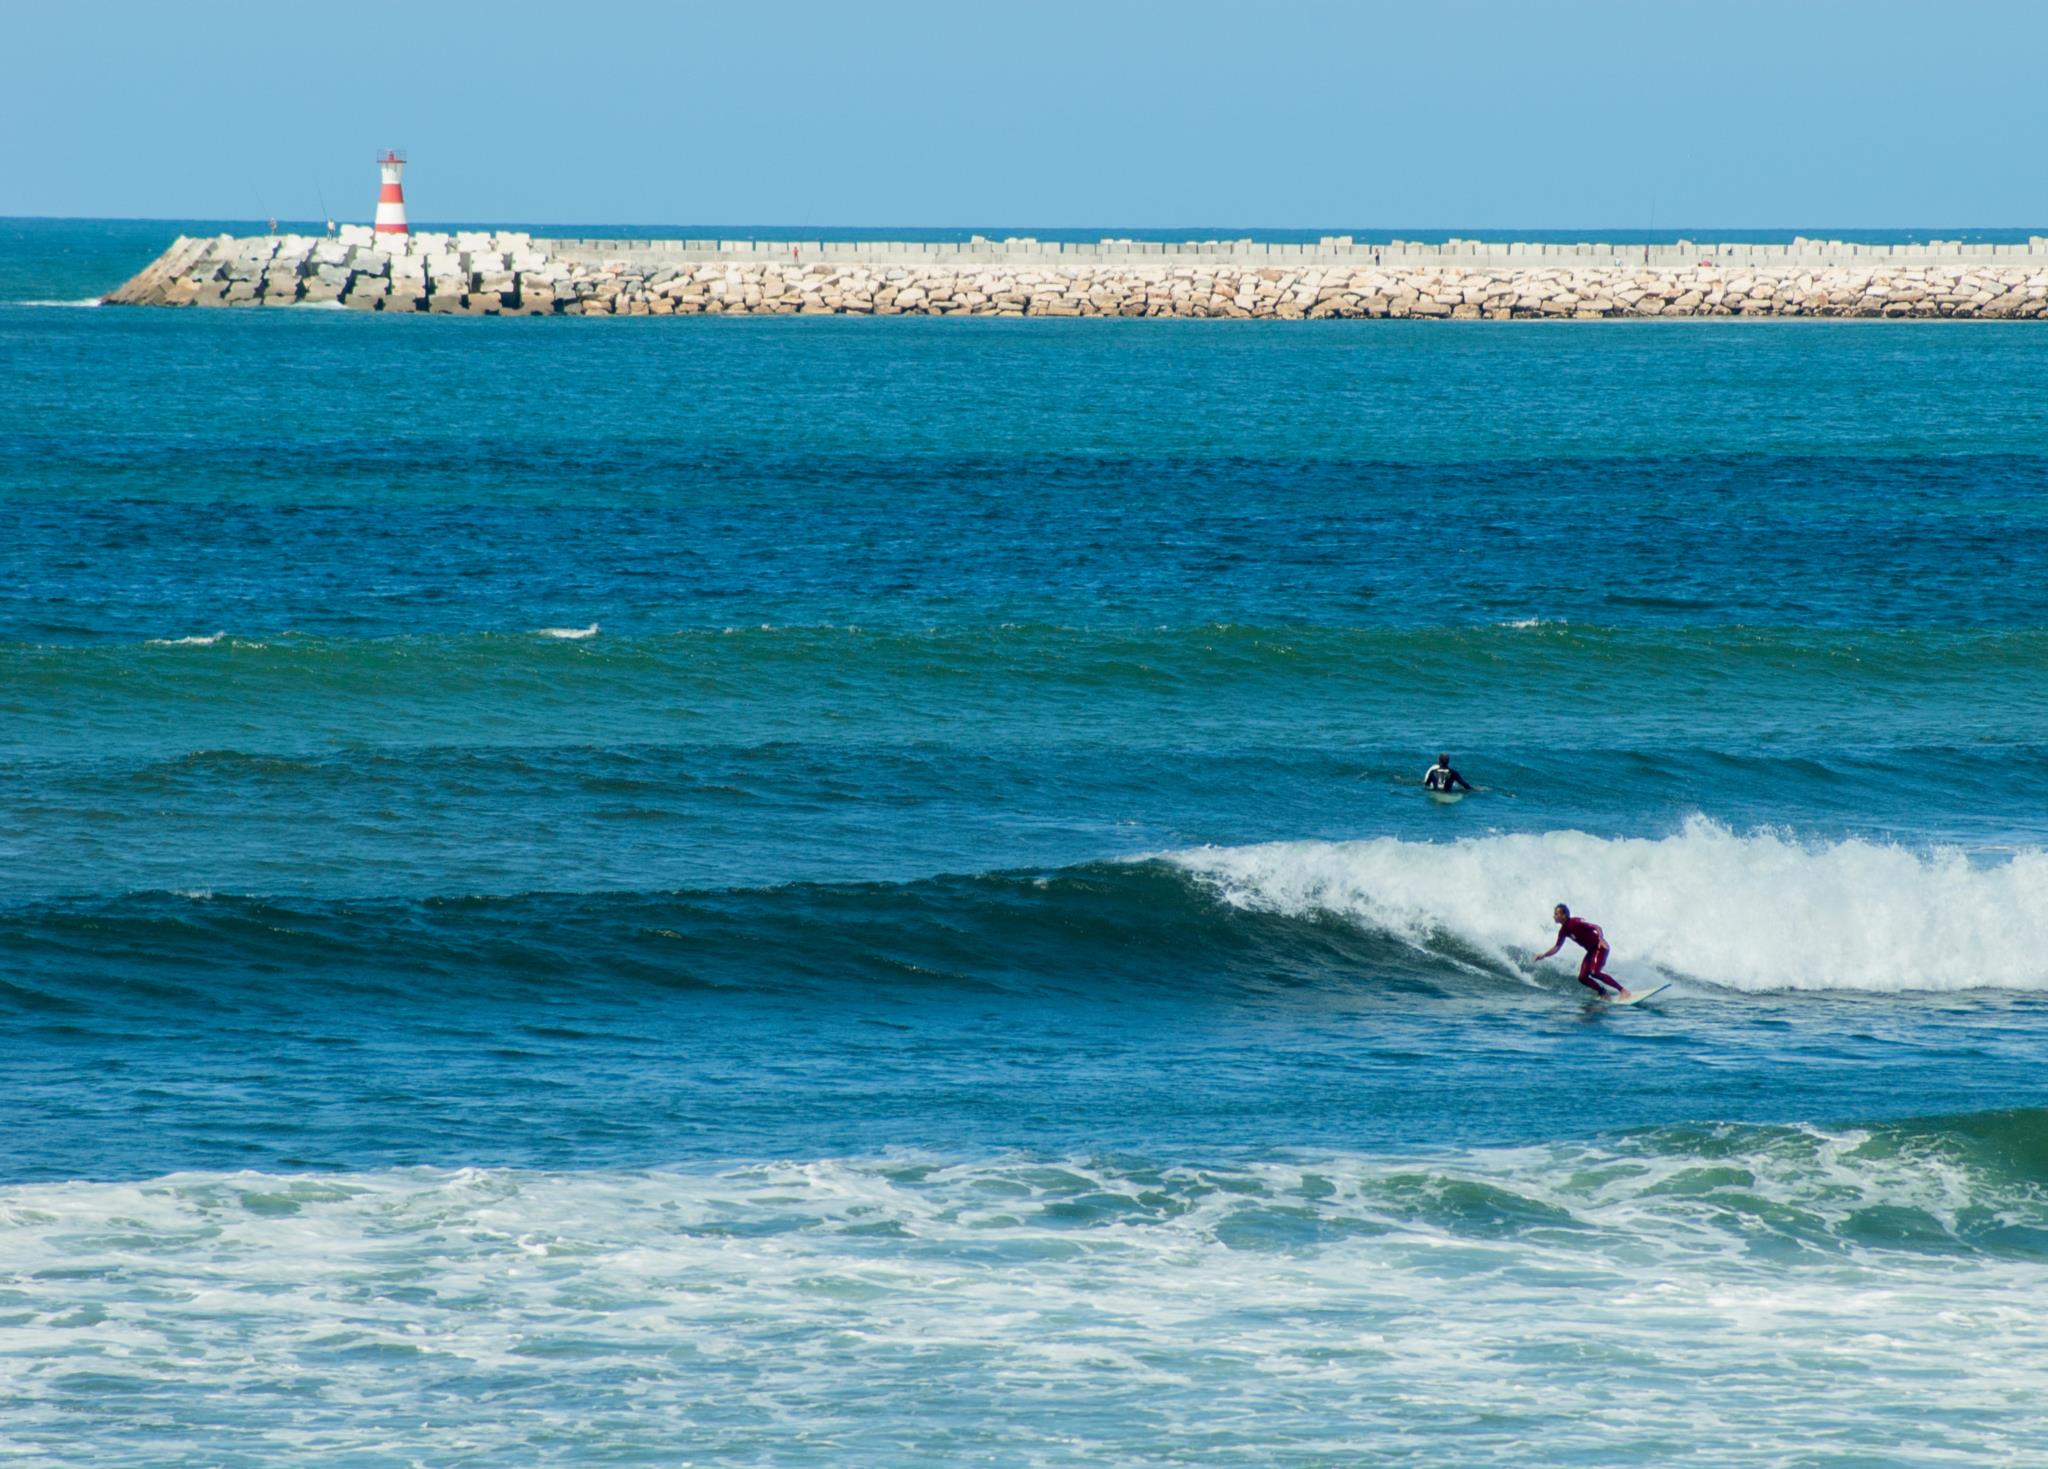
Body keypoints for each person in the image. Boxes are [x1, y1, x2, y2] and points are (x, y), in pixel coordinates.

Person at [1533, 904, 1629, 999]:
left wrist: (1601, 938)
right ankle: (1603, 992)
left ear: (1564, 915)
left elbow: (1597, 927)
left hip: (1600, 947)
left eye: (1556, 914)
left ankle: (1623, 991)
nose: (1554, 916)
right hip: (1591, 951)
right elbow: (1557, 947)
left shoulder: (1575, 922)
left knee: (1594, 972)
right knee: (1582, 978)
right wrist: (1544, 955)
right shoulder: (1563, 931)